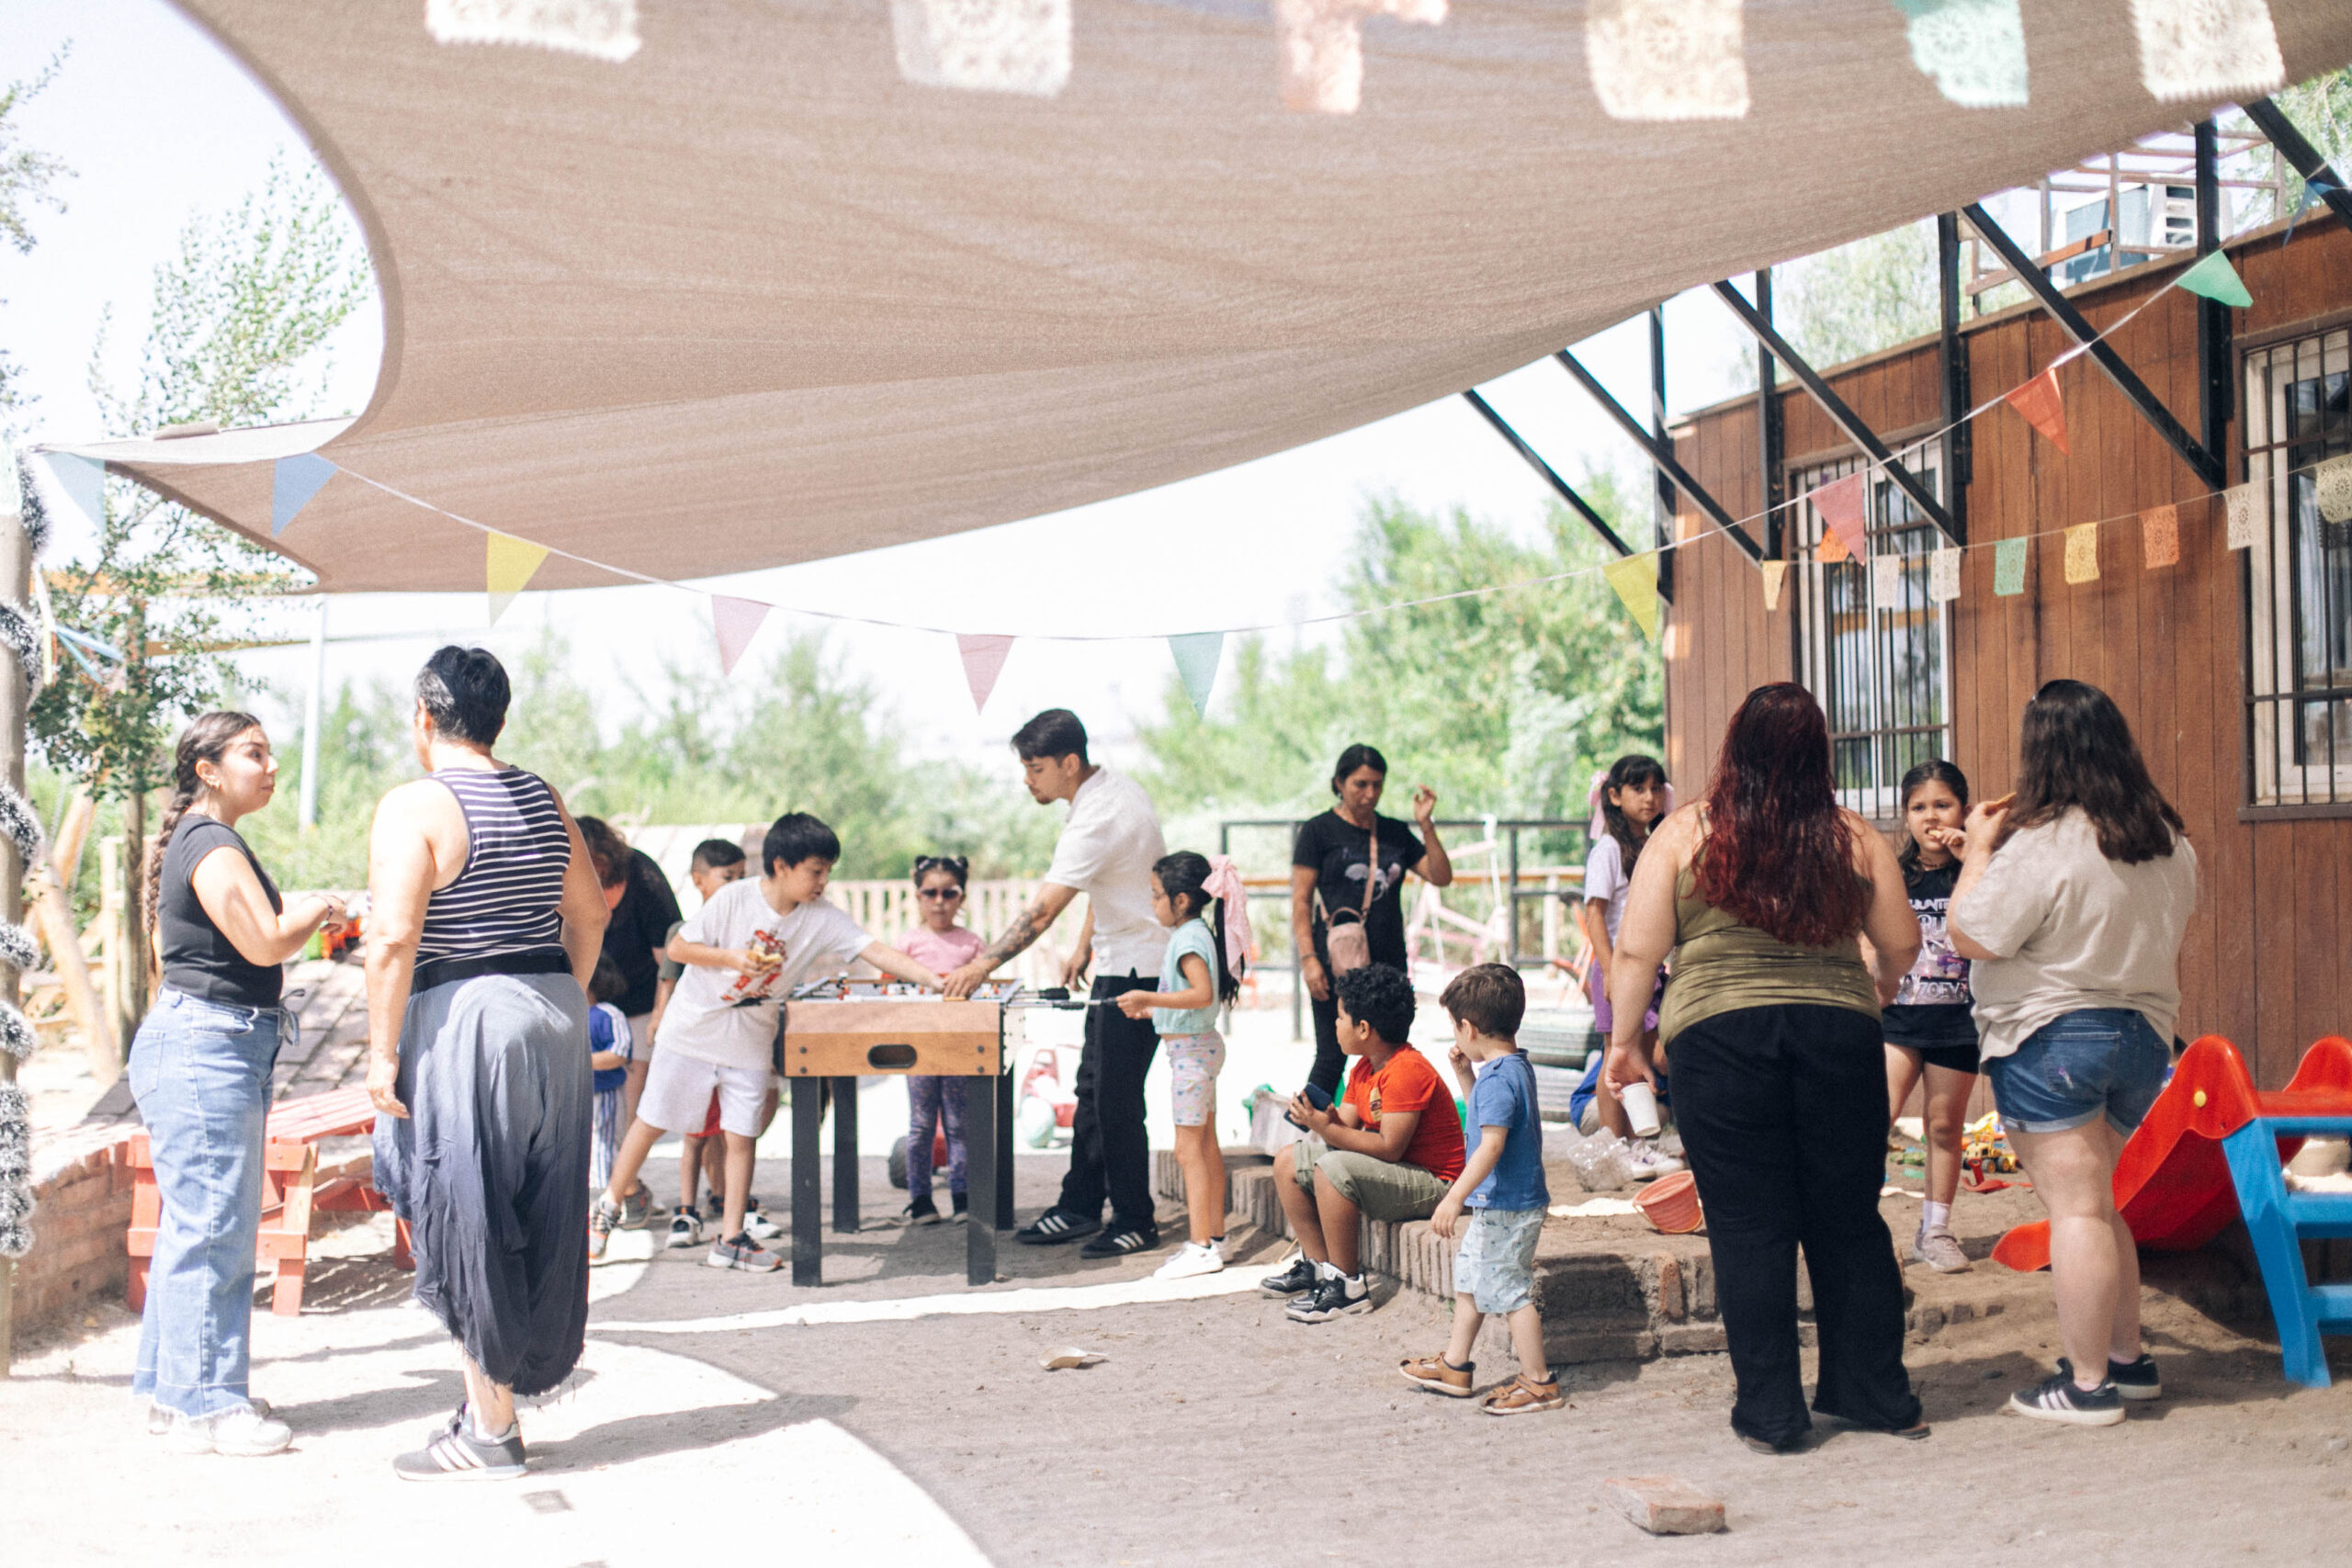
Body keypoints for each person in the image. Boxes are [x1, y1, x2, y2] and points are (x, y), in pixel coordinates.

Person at [1604, 682, 1925, 1454]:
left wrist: (1624, 1042)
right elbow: (1905, 941)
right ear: (1820, 752)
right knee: (1847, 1218)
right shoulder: (1853, 835)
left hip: (1718, 1039)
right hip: (1839, 1036)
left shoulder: (1684, 833)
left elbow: (1637, 950)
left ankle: (1775, 1414)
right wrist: (1870, 993)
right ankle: (1874, 1392)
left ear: (1733, 746)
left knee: (1749, 1226)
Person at [367, 647, 610, 1481]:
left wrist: (378, 1052)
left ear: (425, 718)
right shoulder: (542, 796)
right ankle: (493, 1402)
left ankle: (491, 1429)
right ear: (499, 719)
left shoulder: (416, 803)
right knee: (542, 1210)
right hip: (552, 1014)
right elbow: (588, 916)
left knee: (463, 1207)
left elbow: (394, 937)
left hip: (464, 1016)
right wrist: (557, 1001)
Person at [1949, 680, 2196, 1427]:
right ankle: (2127, 1361)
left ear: (2041, 751)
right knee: (2101, 1202)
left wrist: (1979, 854)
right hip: (2143, 1038)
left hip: (2052, 1034)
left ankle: (2088, 1385)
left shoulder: (2044, 841)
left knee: (2076, 1211)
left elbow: (1973, 933)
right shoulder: (2168, 839)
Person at [594, 812, 944, 1271]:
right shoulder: (735, 898)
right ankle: (605, 1211)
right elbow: (679, 949)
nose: (822, 882)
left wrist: (937, 981)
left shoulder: (823, 918)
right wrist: (733, 958)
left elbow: (875, 950)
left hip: (751, 1033)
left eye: (827, 873)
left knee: (742, 1134)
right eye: (815, 871)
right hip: (695, 1026)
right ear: (781, 865)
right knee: (652, 1120)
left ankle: (732, 1237)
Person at [130, 713, 346, 1458]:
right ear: (208, 768)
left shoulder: (202, 839)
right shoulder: (211, 842)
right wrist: (319, 904)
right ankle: (207, 1405)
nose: (272, 763)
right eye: (254, 752)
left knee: (197, 1224)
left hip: (207, 1042)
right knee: (215, 1227)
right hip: (207, 1047)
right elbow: (264, 938)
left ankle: (172, 1391)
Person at [943, 709, 1170, 1259]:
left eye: (1035, 767)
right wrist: (1086, 943)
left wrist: (981, 965)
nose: (1027, 779)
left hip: (1141, 969)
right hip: (1121, 958)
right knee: (1091, 1090)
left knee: (1115, 1099)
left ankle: (1135, 1218)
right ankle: (1080, 1204)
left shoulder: (1099, 815)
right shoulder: (1108, 792)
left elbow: (1042, 911)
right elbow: (1116, 879)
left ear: (1070, 763)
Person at [1259, 963, 1464, 1323]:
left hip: (1435, 1183)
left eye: (1340, 1018)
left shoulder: (1407, 1070)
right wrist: (1321, 1117)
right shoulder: (1365, 1068)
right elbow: (1346, 1127)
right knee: (1288, 1160)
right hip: (1400, 1172)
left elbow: (1389, 1148)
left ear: (1364, 1029)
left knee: (1331, 1168)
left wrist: (1325, 1128)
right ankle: (1318, 1267)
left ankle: (1347, 1286)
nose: (1335, 1025)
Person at [1403, 964, 1563, 1415]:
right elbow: (1492, 1118)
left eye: (1455, 1027)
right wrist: (1465, 1078)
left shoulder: (1498, 1078)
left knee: (1510, 1290)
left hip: (1506, 1204)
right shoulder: (1512, 1068)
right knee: (1472, 1279)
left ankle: (1538, 1381)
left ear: (1468, 1028)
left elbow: (1491, 1143)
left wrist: (1454, 1196)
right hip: (1507, 1202)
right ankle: (1455, 1364)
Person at [1114, 851, 1250, 1280]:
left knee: (1188, 1149)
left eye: (1157, 896)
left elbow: (1200, 994)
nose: (1153, 904)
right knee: (1205, 1145)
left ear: (1182, 900)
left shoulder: (1189, 938)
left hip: (1192, 1056)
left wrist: (1148, 998)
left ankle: (1200, 1246)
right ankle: (1214, 1238)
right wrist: (1155, 1012)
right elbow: (1193, 1000)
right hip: (1196, 1048)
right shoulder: (1195, 933)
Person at [1289, 744, 1453, 1096]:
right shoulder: (1318, 831)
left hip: (1387, 961)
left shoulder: (1394, 832)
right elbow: (1301, 902)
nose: (1370, 794)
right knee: (1332, 1054)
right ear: (1339, 783)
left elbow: (1440, 876)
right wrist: (1308, 960)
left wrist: (1426, 826)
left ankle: (1384, 1132)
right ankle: (1306, 1134)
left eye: (1377, 785)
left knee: (1391, 1051)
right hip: (1334, 962)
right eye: (1360, 784)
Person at [1879, 760, 1980, 1274]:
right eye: (1919, 807)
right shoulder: (1893, 875)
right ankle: (1854, 1224)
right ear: (1906, 816)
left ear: (1964, 808)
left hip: (1958, 1024)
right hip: (1897, 1021)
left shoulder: (1979, 871)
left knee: (1944, 1127)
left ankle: (1935, 1230)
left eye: (1942, 804)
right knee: (1874, 1118)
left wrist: (1973, 858)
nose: (1931, 817)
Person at [1575, 754, 1682, 1179]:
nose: (1650, 797)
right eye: (1639, 789)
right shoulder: (1607, 850)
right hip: (1620, 967)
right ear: (1614, 796)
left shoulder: (1655, 845)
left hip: (1651, 969)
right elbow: (1595, 913)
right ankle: (1614, 1145)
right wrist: (1611, 970)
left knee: (1641, 1055)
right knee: (1614, 1055)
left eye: (1657, 788)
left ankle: (1638, 1145)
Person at [650, 838, 752, 1246]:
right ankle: (686, 1210)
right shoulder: (685, 931)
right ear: (699, 880)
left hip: (726, 1045)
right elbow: (667, 982)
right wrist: (659, 1019)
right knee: (693, 1134)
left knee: (727, 1131)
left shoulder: (742, 930)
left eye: (741, 878)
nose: (735, 886)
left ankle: (724, 1200)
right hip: (690, 1042)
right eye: (728, 877)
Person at [576, 815, 683, 1137]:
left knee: (632, 1093)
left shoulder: (642, 875)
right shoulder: (563, 881)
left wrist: (660, 1016)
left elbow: (669, 954)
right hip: (590, 1006)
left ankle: (625, 1179)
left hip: (644, 1001)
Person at [899, 854, 986, 1224]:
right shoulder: (906, 944)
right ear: (917, 895)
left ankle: (963, 1196)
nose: (939, 902)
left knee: (957, 1124)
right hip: (918, 1046)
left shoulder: (973, 945)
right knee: (921, 1125)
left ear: (961, 897)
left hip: (958, 1046)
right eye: (930, 892)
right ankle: (920, 1199)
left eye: (948, 893)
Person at [585, 955, 636, 1198]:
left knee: (605, 1145)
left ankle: (605, 1200)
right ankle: (627, 1193)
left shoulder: (607, 1014)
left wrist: (578, 1062)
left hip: (605, 1093)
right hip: (578, 1095)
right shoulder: (570, 1012)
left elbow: (619, 1053)